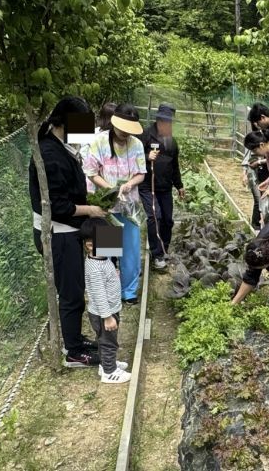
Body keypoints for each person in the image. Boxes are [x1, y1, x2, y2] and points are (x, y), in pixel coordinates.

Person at [29, 96, 107, 368]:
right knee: (71, 293)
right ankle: (73, 352)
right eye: (82, 125)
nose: (85, 133)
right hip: (57, 233)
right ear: (64, 123)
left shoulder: (62, 147)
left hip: (69, 229)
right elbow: (58, 206)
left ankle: (76, 338)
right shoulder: (49, 154)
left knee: (77, 287)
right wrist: (91, 210)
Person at [84, 104, 146, 304]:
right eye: (123, 129)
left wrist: (129, 184)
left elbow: (141, 173)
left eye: (129, 130)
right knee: (108, 251)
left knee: (130, 250)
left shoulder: (136, 144)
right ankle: (109, 291)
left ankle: (129, 292)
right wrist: (111, 189)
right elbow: (91, 173)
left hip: (129, 206)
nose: (125, 133)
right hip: (108, 206)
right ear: (114, 123)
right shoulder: (99, 142)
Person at [80, 218, 131, 384]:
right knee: (109, 342)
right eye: (106, 238)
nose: (111, 241)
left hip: (106, 310)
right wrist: (107, 317)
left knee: (103, 341)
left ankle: (106, 364)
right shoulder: (95, 268)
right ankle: (109, 372)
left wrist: (114, 274)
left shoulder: (101, 258)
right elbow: (99, 294)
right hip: (104, 312)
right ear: (90, 245)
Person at [138, 103, 185, 270]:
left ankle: (164, 248)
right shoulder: (145, 135)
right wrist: (146, 156)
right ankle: (157, 254)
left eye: (170, 122)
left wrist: (179, 185)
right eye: (166, 122)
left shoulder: (172, 141)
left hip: (165, 187)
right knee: (154, 217)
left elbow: (174, 166)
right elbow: (134, 157)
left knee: (167, 220)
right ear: (158, 121)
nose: (168, 125)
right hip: (147, 186)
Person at [80, 102, 118, 194]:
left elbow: (82, 154)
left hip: (92, 177)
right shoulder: (108, 136)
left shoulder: (91, 132)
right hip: (96, 178)